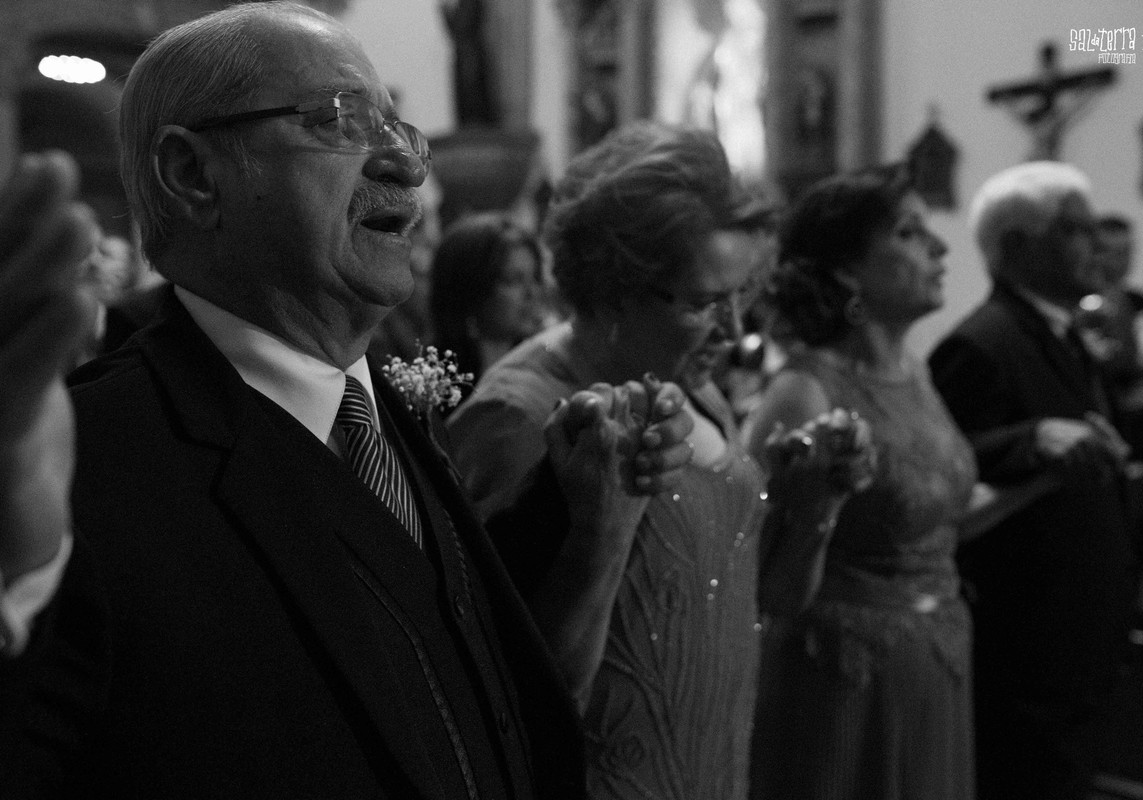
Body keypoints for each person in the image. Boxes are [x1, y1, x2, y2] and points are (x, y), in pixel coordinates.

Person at [0, 4, 697, 797]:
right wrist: (13, 570)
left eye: (399, 129)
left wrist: (588, 514)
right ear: (194, 175)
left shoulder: (386, 421)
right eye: (340, 120)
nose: (405, 163)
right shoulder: (89, 467)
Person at [447, 121, 871, 800]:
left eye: (744, 296)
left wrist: (816, 504)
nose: (735, 332)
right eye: (706, 302)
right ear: (614, 285)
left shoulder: (692, 385)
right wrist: (601, 527)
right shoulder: (519, 417)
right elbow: (493, 690)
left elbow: (761, 597)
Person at [743, 164, 977, 800]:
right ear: (847, 269)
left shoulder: (915, 373)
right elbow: (758, 573)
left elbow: (932, 516)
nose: (939, 248)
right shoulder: (802, 392)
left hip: (938, 659)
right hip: (843, 681)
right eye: (907, 232)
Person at [928, 161, 1134, 800]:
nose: (1096, 244)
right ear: (1017, 246)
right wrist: (1027, 440)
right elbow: (945, 467)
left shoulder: (1059, 333)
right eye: (1076, 228)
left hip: (1073, 641)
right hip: (1025, 651)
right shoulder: (980, 345)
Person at [428, 212, 550, 386]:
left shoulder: (547, 366)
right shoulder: (431, 380)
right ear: (471, 288)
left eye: (536, 277)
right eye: (513, 280)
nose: (532, 293)